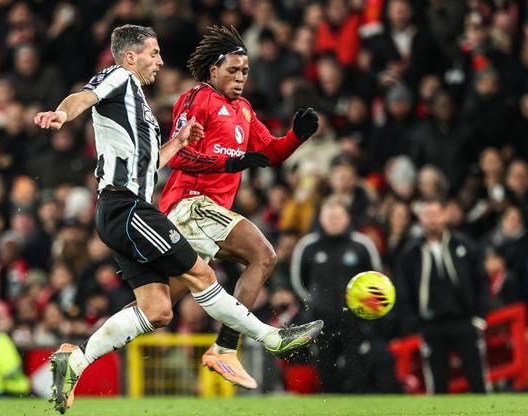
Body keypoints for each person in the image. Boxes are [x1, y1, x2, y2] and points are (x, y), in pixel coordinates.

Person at [34, 24, 323, 414]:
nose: (160, 61)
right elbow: (83, 96)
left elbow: (152, 164)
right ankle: (269, 339)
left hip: (126, 210)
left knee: (158, 310)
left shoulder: (141, 107)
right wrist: (61, 114)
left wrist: (180, 141)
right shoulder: (119, 77)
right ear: (131, 56)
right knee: (207, 274)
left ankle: (76, 360)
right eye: (154, 53)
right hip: (131, 207)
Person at [152, 25, 319, 389]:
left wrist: (297, 137)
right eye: (233, 70)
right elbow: (177, 155)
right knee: (264, 255)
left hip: (207, 216)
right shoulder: (197, 99)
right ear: (213, 70)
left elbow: (269, 153)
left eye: (245, 71)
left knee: (157, 309)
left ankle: (79, 355)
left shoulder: (243, 110)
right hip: (190, 204)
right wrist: (228, 163)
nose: (241, 77)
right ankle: (226, 347)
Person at [291, 197, 398, 393]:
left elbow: (376, 280)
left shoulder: (362, 244)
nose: (333, 220)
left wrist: (367, 311)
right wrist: (314, 305)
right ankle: (330, 403)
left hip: (355, 319)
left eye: (338, 216)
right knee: (325, 370)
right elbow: (298, 282)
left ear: (347, 218)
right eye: (329, 216)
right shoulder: (308, 245)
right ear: (321, 218)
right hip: (321, 320)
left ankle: (357, 402)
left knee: (357, 369)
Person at [394, 199, 491, 394]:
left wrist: (480, 316)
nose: (432, 220)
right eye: (428, 215)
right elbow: (403, 290)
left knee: (477, 378)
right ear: (420, 218)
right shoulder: (410, 252)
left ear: (445, 215)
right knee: (437, 383)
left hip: (464, 320)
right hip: (430, 324)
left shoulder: (464, 245)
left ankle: (487, 411)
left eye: (436, 214)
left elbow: (482, 281)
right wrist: (413, 323)